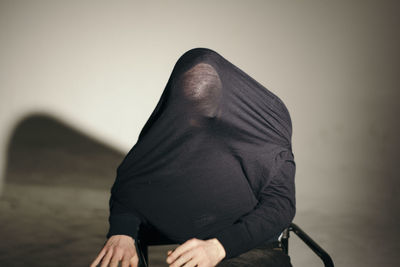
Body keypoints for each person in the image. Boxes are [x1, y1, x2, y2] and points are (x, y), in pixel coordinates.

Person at [90, 47, 296, 267]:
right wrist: (123, 233)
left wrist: (219, 247)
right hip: (181, 249)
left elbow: (280, 205)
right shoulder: (173, 125)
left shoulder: (264, 126)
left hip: (246, 243)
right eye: (189, 112)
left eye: (203, 112)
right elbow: (132, 185)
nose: (195, 123)